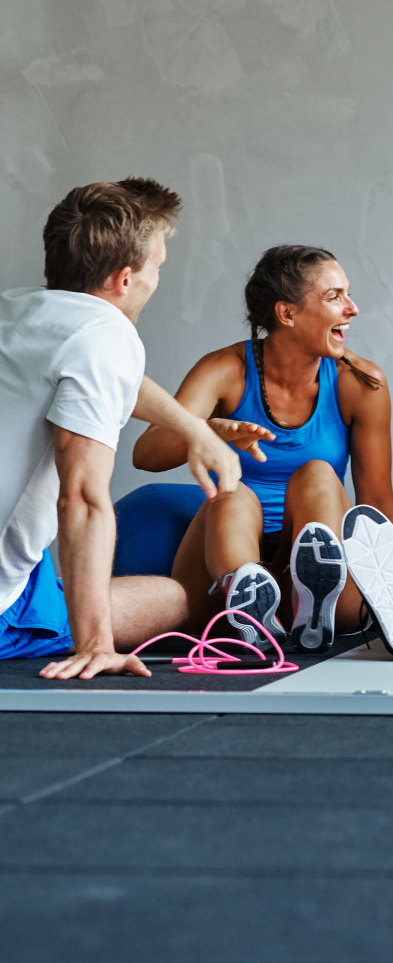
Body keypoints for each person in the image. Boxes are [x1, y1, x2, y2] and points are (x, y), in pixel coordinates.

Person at [133, 245, 393, 662]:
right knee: (232, 491)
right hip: (223, 565)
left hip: (317, 556)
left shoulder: (359, 382)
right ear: (287, 314)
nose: (352, 308)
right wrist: (206, 431)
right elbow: (146, 453)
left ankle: (312, 602)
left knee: (318, 474)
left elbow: (377, 499)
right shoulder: (226, 370)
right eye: (334, 297)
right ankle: (250, 602)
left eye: (347, 294)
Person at [1, 178, 245, 680]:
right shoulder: (106, 338)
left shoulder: (17, 309)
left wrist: (192, 428)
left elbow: (109, 381)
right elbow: (82, 499)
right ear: (125, 279)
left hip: (22, 569)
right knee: (172, 599)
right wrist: (98, 645)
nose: (159, 278)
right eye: (157, 266)